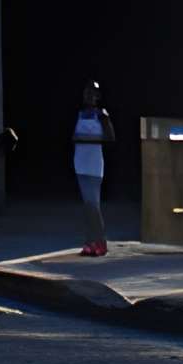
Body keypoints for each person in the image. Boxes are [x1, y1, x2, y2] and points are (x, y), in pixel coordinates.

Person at [72, 81, 116, 257]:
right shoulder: (80, 114)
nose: (88, 97)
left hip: (94, 164)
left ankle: (101, 241)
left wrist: (86, 139)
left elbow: (110, 137)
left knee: (93, 205)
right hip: (80, 162)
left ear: (97, 96)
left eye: (92, 94)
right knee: (87, 206)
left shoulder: (102, 115)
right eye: (86, 93)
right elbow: (73, 137)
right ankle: (89, 242)